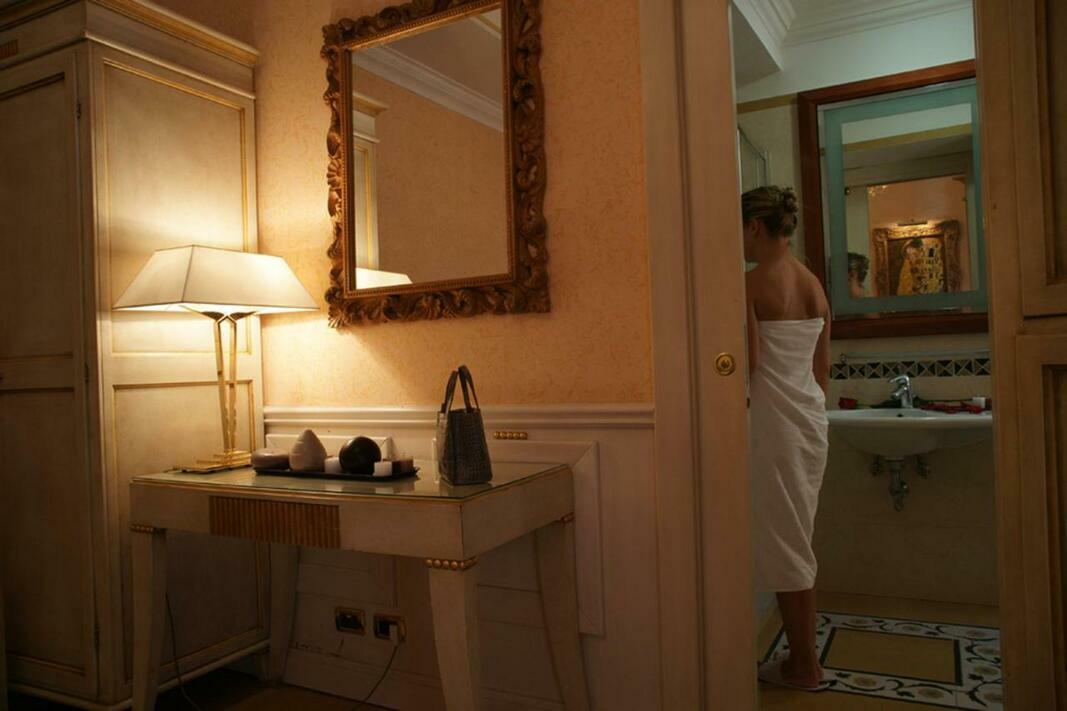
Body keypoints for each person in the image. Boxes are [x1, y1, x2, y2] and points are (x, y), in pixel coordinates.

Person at [742, 186, 831, 691]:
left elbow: (748, 365)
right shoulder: (813, 283)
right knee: (794, 535)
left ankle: (804, 665)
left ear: (755, 226)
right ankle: (803, 657)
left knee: (785, 543)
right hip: (809, 423)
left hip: (774, 424)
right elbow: (823, 370)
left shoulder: (751, 284)